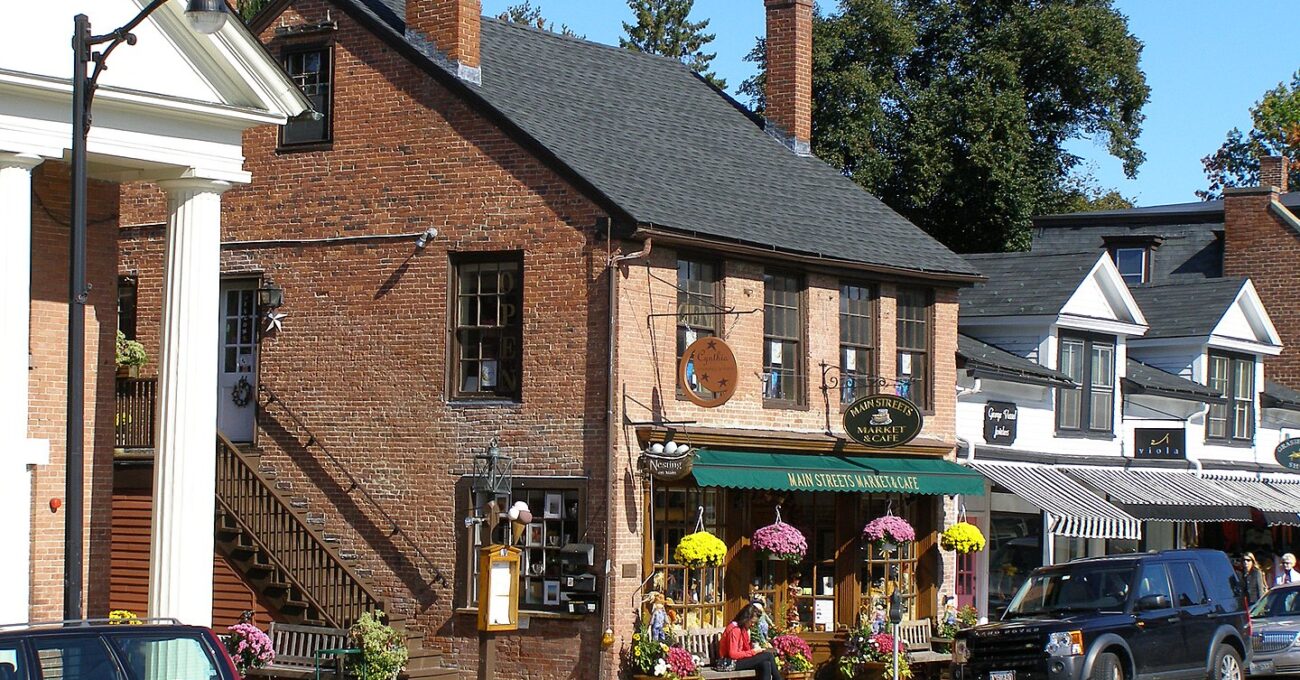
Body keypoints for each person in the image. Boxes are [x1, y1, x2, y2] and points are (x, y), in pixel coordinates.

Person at [718, 604, 784, 680]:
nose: (752, 625)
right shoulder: (735, 629)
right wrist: (753, 652)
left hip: (737, 660)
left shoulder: (743, 628)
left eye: (754, 623)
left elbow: (744, 649)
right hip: (729, 662)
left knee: (765, 663)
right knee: (768, 656)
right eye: (752, 622)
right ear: (745, 618)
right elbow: (733, 654)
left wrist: (754, 648)